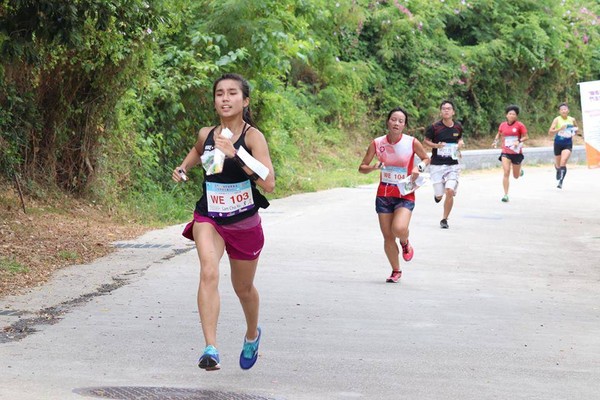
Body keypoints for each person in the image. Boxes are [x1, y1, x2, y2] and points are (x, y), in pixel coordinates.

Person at [172, 73, 275, 371]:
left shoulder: (253, 137)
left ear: (245, 101)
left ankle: (252, 334)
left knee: (243, 288)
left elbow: (269, 183)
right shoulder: (206, 134)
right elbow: (196, 151)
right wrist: (182, 168)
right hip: (210, 216)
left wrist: (237, 154)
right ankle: (211, 348)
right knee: (208, 272)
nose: (225, 99)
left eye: (232, 93)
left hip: (243, 222)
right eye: (220, 93)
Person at [359, 107, 430, 283]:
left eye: (400, 121)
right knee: (388, 236)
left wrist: (417, 167)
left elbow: (426, 159)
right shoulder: (377, 143)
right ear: (388, 121)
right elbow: (362, 168)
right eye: (393, 119)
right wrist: (373, 167)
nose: (396, 123)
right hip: (384, 193)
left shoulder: (411, 142)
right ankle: (396, 270)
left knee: (398, 229)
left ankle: (405, 242)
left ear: (404, 125)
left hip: (404, 192)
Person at [423, 100, 464, 229]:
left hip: (453, 164)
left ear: (453, 112)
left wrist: (460, 143)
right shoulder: (434, 127)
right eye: (444, 108)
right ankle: (437, 196)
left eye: (449, 108)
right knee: (440, 194)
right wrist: (436, 145)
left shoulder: (458, 126)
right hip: (437, 164)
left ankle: (444, 219)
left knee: (450, 190)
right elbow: (425, 141)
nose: (446, 110)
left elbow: (459, 138)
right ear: (441, 112)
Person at [492, 105, 528, 202]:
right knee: (506, 172)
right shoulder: (502, 125)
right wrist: (495, 141)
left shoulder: (520, 125)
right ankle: (505, 195)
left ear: (516, 116)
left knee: (515, 176)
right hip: (505, 151)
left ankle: (519, 171)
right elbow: (499, 134)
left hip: (516, 152)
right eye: (510, 114)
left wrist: (519, 141)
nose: (511, 115)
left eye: (514, 114)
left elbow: (526, 137)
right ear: (506, 115)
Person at [548, 103, 580, 189]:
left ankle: (561, 181)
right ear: (559, 111)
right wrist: (560, 129)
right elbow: (550, 132)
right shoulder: (557, 120)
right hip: (558, 143)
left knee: (564, 161)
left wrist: (574, 131)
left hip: (568, 143)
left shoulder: (572, 119)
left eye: (565, 109)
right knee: (558, 165)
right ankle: (558, 169)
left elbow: (577, 129)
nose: (564, 111)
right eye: (562, 109)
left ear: (568, 110)